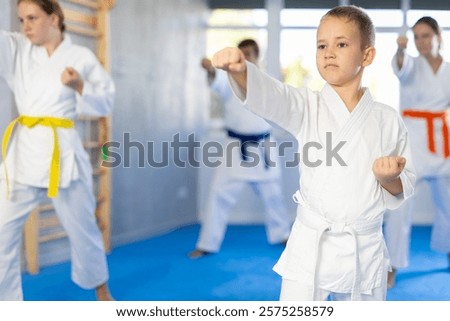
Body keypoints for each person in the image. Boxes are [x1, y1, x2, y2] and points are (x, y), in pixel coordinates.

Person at [212, 6, 416, 300]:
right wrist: (242, 71)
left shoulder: (388, 119)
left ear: (367, 56)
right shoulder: (307, 106)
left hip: (364, 247)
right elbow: (271, 96)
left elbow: (403, 186)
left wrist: (388, 179)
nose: (329, 52)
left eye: (341, 44)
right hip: (311, 245)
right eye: (322, 45)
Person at [0, 0, 114, 300]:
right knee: (0, 233)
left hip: (62, 154)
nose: (25, 26)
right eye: (21, 19)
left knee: (84, 228)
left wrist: (79, 85)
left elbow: (106, 100)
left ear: (54, 19)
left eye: (33, 18)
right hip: (23, 155)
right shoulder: (16, 48)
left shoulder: (80, 56)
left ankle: (101, 290)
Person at [188, 39, 292, 259]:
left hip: (263, 148)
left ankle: (282, 235)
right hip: (235, 149)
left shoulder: (267, 82)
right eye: (241, 53)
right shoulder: (229, 80)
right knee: (218, 196)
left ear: (256, 56)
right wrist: (209, 69)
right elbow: (215, 81)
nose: (245, 58)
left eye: (249, 54)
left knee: (273, 196)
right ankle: (207, 243)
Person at [384, 16, 450, 288]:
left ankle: (448, 251)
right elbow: (400, 67)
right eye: (416, 37)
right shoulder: (410, 64)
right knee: (399, 206)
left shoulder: (448, 70)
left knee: (449, 207)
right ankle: (392, 265)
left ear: (438, 37)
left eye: (426, 35)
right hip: (412, 142)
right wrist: (400, 50)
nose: (421, 41)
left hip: (443, 142)